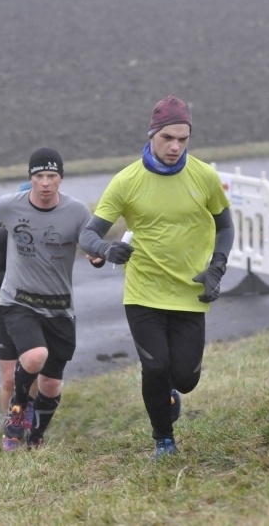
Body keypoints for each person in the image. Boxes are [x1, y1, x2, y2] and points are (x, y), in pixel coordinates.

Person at [79, 95, 234, 458]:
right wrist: (106, 249)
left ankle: (170, 395)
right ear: (152, 134)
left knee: (185, 378)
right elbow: (89, 234)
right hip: (143, 292)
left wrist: (217, 267)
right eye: (167, 138)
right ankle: (163, 439)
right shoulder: (127, 181)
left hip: (189, 293)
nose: (175, 146)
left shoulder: (204, 176)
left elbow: (225, 226)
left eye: (183, 139)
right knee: (155, 366)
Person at [0, 147, 104, 451]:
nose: (46, 182)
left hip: (60, 307)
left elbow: (92, 242)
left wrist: (98, 256)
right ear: (31, 178)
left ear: (61, 179)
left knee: (51, 385)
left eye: (51, 176)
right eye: (39, 176)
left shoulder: (77, 211)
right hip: (17, 301)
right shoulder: (10, 207)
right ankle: (17, 408)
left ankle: (35, 438)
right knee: (33, 358)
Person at [0, 181, 37, 426]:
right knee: (9, 379)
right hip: (3, 311)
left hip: (36, 311)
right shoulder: (4, 235)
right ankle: (10, 428)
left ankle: (30, 420)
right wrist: (18, 277)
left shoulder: (48, 235)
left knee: (33, 374)